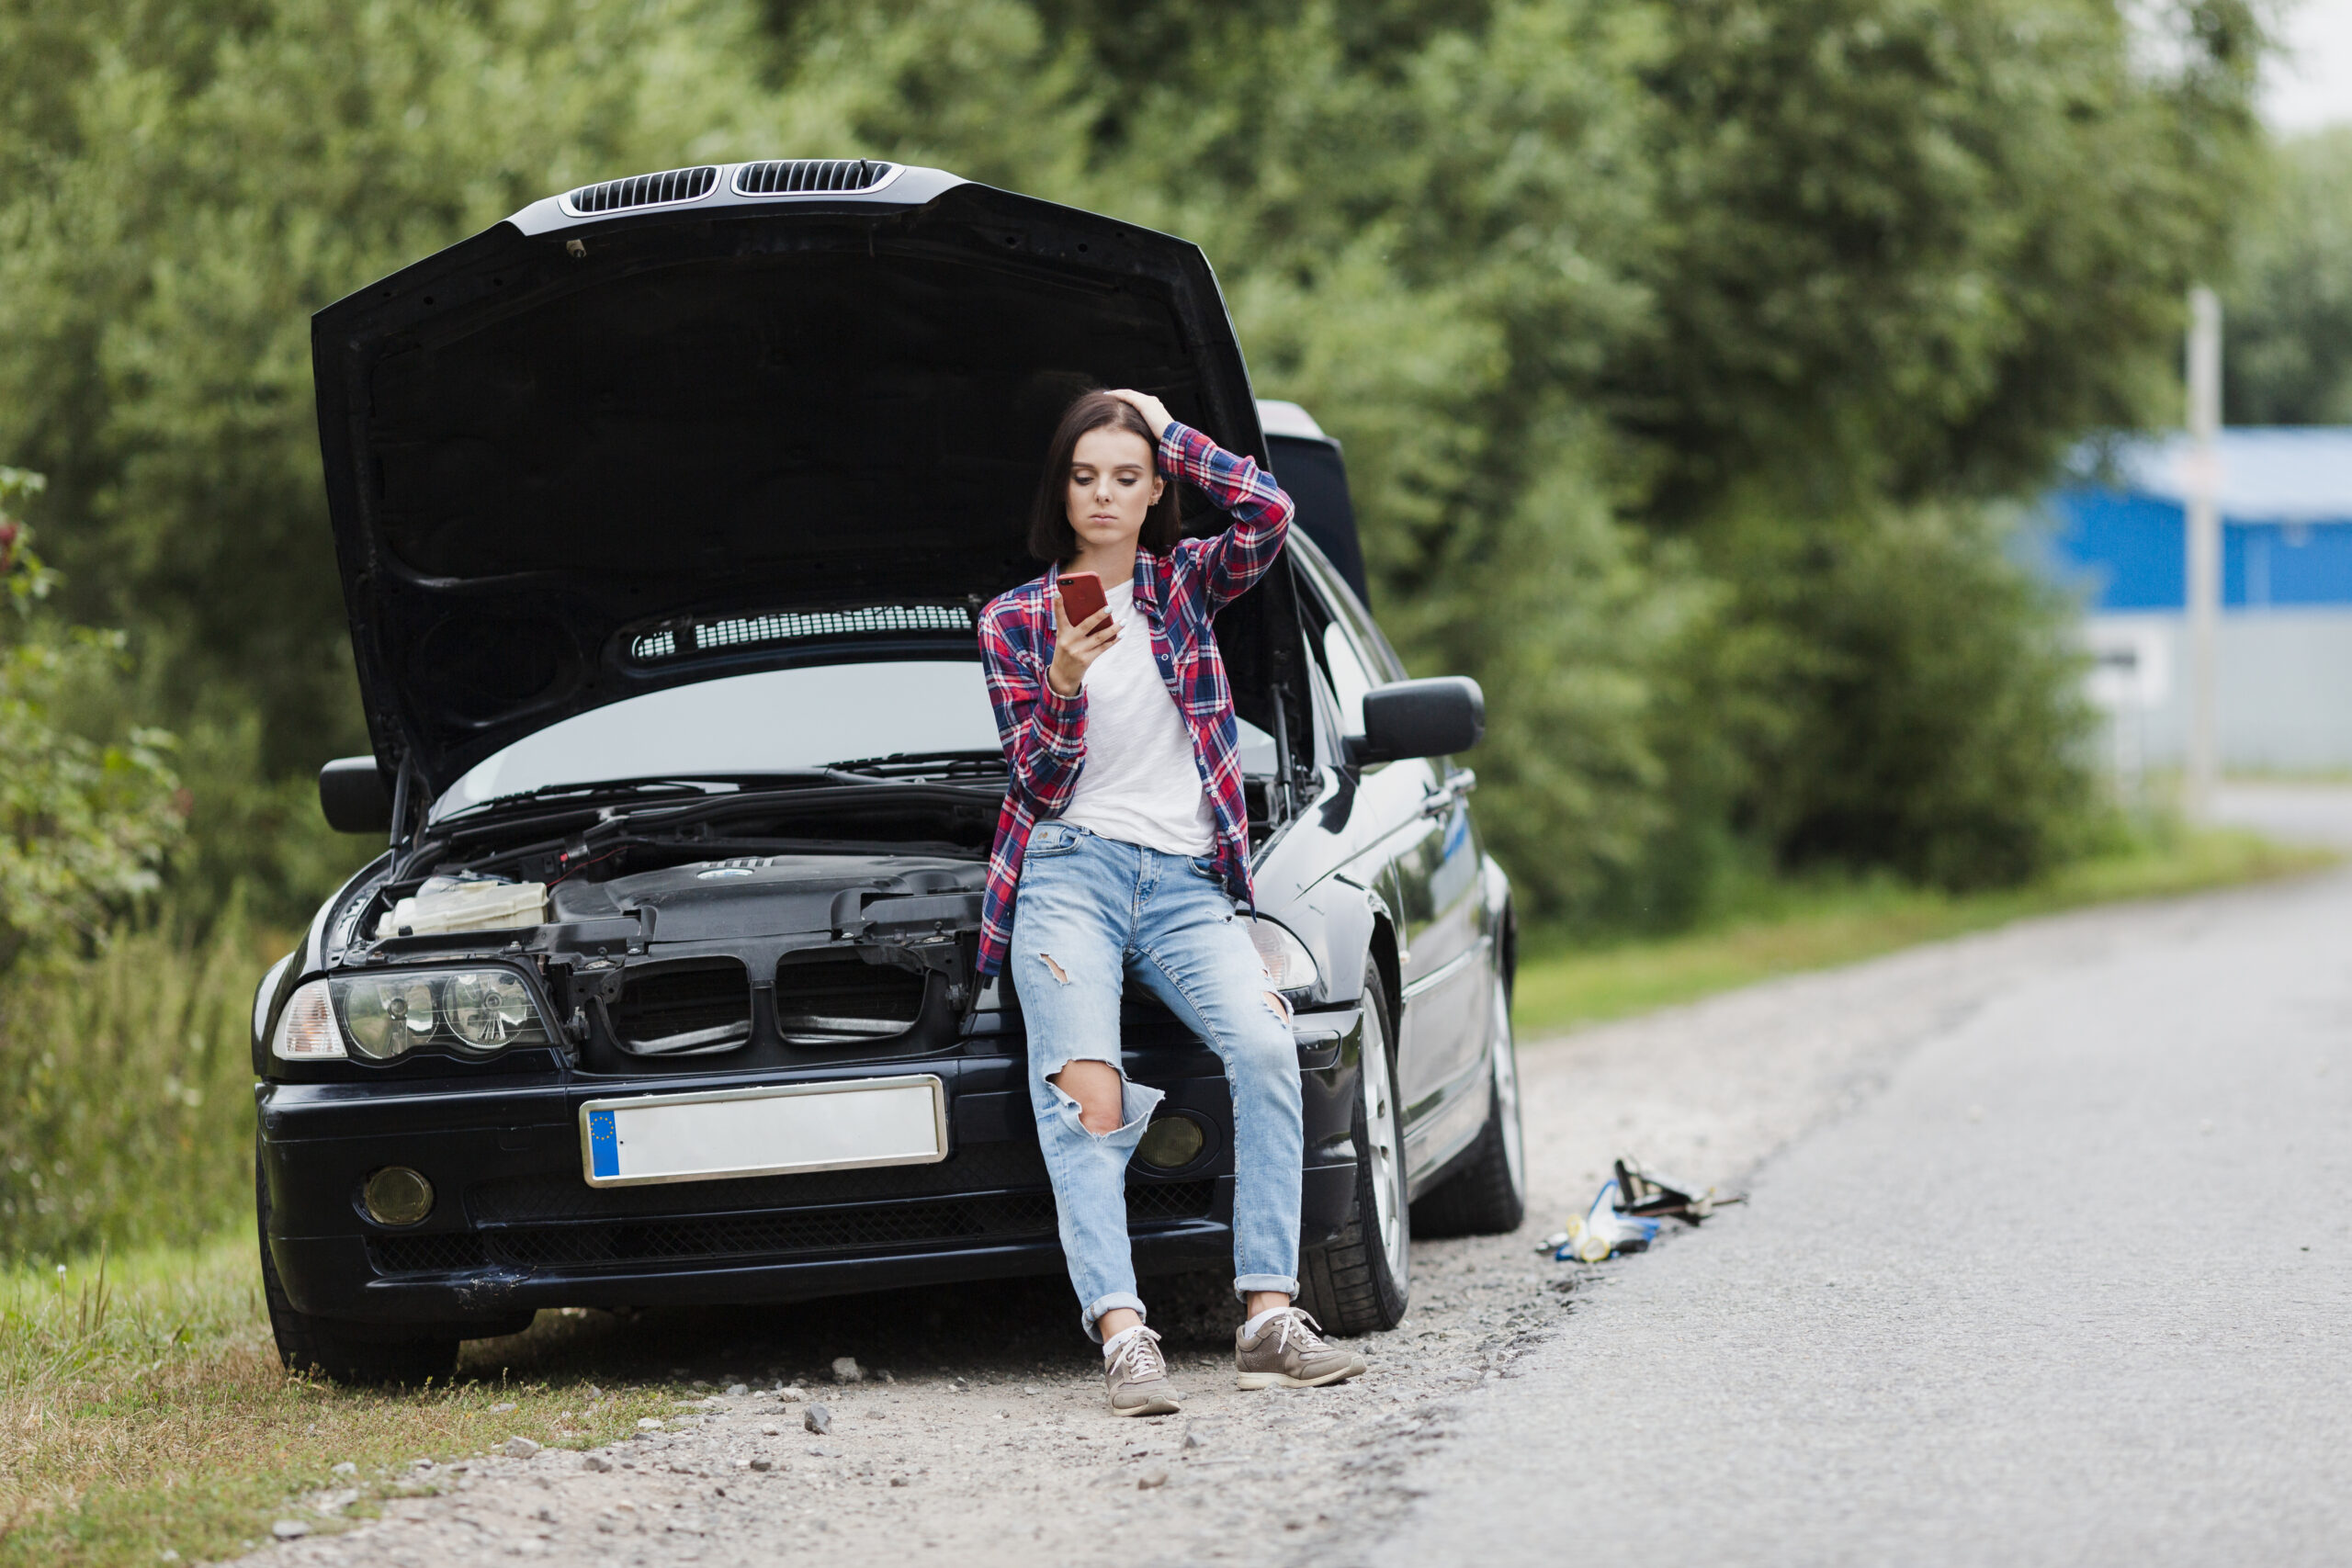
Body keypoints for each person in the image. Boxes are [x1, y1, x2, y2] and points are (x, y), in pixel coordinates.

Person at [976, 388, 1367, 1416]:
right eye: (1084, 476)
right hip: (1069, 876)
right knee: (1085, 1101)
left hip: (1187, 888)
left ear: (1154, 493)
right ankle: (1123, 1332)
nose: (1103, 494)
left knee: (1265, 1047)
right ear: (1061, 491)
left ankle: (1268, 1319)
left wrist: (1171, 429)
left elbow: (1272, 514)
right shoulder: (1014, 619)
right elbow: (1039, 782)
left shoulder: (1185, 584)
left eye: (1126, 476)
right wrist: (1061, 681)